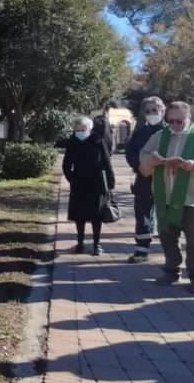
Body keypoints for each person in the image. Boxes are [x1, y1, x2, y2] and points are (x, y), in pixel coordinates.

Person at [138, 101, 194, 294]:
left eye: (179, 121)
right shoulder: (160, 136)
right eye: (171, 121)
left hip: (193, 198)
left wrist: (193, 165)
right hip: (165, 196)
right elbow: (143, 156)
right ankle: (171, 270)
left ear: (189, 118)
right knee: (167, 236)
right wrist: (150, 161)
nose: (175, 125)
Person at [63, 115, 116, 256]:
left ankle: (96, 244)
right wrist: (71, 177)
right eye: (77, 130)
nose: (80, 132)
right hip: (79, 183)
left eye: (83, 129)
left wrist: (110, 183)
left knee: (96, 216)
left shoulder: (98, 141)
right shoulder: (73, 141)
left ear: (90, 128)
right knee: (79, 215)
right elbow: (66, 163)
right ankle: (80, 243)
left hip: (97, 184)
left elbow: (106, 162)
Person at [124, 96, 166, 263]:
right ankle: (142, 249)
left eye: (155, 110)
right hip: (143, 178)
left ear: (163, 110)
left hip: (167, 180)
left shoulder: (171, 132)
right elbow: (130, 152)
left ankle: (171, 250)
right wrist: (139, 167)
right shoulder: (139, 133)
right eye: (148, 111)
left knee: (168, 214)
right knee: (142, 213)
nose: (152, 113)